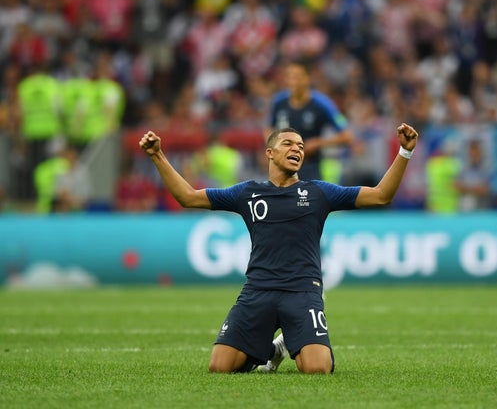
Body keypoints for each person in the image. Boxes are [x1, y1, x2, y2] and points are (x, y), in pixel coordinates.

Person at [138, 122, 419, 374]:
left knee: (317, 368)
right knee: (219, 367)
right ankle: (272, 351)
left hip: (302, 292)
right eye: (288, 144)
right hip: (257, 290)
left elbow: (381, 195)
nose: (296, 149)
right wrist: (157, 155)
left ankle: (290, 343)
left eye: (300, 146)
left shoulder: (319, 192)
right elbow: (188, 197)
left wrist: (404, 152)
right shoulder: (247, 193)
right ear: (269, 153)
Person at [269, 61, 352, 181]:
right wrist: (273, 146)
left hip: (310, 167)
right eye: (289, 77)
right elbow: (269, 127)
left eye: (296, 77)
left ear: (307, 79)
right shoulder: (279, 102)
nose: (292, 82)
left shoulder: (322, 104)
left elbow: (347, 136)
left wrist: (318, 142)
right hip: (282, 168)